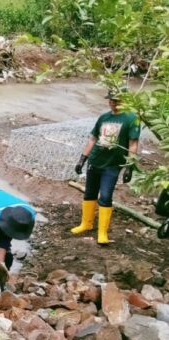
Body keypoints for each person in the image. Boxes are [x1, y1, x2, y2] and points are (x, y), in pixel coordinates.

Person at [71, 88, 141, 245]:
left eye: (116, 100)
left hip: (112, 165)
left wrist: (129, 166)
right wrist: (82, 159)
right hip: (95, 161)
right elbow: (93, 138)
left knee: (106, 196)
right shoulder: (104, 117)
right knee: (89, 193)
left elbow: (133, 143)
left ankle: (102, 232)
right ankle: (86, 224)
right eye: (111, 100)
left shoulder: (131, 118)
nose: (113, 103)